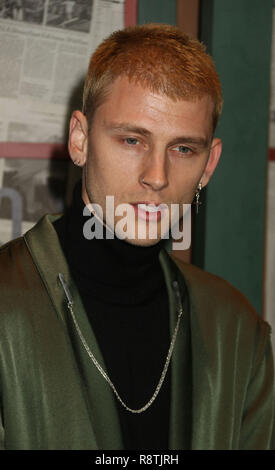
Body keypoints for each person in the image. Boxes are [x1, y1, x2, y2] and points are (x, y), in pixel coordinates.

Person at [0, 24, 274, 450]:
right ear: (80, 139)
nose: (157, 177)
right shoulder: (7, 306)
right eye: (132, 140)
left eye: (183, 149)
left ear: (209, 164)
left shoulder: (237, 330)